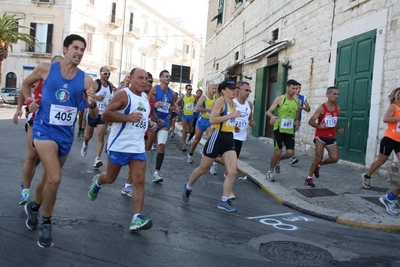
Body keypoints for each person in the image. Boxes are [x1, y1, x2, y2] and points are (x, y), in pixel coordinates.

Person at [21, 34, 98, 248]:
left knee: (47, 179)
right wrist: (29, 102)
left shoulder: (86, 80)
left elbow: (94, 117)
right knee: (55, 178)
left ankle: (34, 207)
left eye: (82, 49)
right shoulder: (47, 69)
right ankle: (46, 222)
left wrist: (92, 104)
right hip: (44, 130)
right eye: (75, 48)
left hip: (65, 136)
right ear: (65, 49)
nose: (79, 52)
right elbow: (26, 85)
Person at [88, 68, 157, 230]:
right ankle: (98, 181)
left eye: (146, 79)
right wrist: (127, 117)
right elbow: (105, 115)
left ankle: (136, 218)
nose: (144, 82)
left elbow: (142, 119)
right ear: (131, 79)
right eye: (140, 78)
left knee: (139, 180)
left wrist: (150, 123)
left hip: (137, 147)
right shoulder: (123, 95)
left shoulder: (146, 97)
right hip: (119, 146)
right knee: (111, 178)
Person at [181, 79, 240, 212]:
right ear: (223, 91)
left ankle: (224, 201)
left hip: (229, 138)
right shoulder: (220, 101)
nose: (234, 91)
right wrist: (231, 116)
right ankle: (188, 187)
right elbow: (213, 119)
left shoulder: (233, 103)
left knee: (232, 171)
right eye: (231, 89)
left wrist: (233, 125)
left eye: (235, 88)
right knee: (203, 169)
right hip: (217, 138)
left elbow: (226, 119)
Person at [13, 56, 64, 205]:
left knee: (40, 159)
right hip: (35, 120)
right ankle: (26, 191)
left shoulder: (66, 83)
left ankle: (26, 179)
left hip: (54, 125)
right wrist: (24, 105)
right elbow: (24, 87)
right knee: (32, 154)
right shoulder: (41, 77)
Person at [121, 72, 158, 197]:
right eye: (145, 80)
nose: (147, 83)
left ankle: (127, 186)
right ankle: (102, 181)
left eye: (150, 81)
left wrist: (155, 122)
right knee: (111, 176)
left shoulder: (150, 98)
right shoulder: (127, 94)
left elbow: (150, 114)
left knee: (137, 163)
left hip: (142, 134)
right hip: (127, 136)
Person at [306, 86, 343, 187]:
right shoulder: (322, 108)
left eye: (337, 94)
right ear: (328, 95)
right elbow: (310, 121)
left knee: (335, 158)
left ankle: (319, 165)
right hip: (320, 136)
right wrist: (319, 126)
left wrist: (338, 129)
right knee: (318, 157)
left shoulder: (337, 108)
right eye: (334, 94)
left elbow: (334, 121)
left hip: (331, 136)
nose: (336, 96)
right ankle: (309, 178)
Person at [265, 79, 300, 182]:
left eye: (296, 88)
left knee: (290, 153)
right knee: (278, 152)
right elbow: (269, 111)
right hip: (279, 128)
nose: (294, 90)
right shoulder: (280, 99)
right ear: (287, 87)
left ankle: (278, 160)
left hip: (289, 130)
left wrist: (297, 120)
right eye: (292, 88)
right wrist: (272, 116)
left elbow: (296, 111)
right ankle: (270, 172)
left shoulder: (296, 100)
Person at [80, 67, 114, 168]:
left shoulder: (110, 86)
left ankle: (97, 159)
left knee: (100, 136)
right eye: (105, 73)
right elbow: (87, 95)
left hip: (103, 115)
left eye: (109, 73)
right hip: (93, 113)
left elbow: (111, 98)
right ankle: (85, 143)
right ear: (100, 73)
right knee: (88, 135)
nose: (107, 75)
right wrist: (96, 98)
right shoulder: (96, 84)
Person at [228, 81, 256, 199]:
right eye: (246, 90)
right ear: (238, 90)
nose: (248, 93)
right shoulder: (231, 102)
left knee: (233, 163)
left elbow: (249, 117)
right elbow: (225, 118)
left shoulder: (249, 104)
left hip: (240, 137)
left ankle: (215, 160)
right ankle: (228, 190)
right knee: (232, 165)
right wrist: (233, 126)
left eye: (249, 90)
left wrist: (251, 122)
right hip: (229, 135)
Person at [151, 70, 174, 183]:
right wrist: (154, 105)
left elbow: (172, 105)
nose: (168, 78)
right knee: (147, 146)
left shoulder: (171, 92)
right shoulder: (154, 89)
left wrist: (175, 108)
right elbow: (147, 101)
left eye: (169, 76)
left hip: (164, 122)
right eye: (165, 76)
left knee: (161, 145)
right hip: (152, 120)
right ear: (160, 78)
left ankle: (156, 172)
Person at [187, 84, 217, 164]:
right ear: (208, 89)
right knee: (197, 139)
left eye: (215, 88)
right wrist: (208, 109)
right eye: (212, 88)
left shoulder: (216, 98)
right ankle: (190, 153)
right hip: (201, 121)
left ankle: (204, 151)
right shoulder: (204, 98)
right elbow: (197, 108)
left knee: (211, 139)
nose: (214, 90)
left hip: (210, 121)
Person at [289, 82, 310, 164]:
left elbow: (308, 109)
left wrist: (301, 107)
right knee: (291, 138)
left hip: (297, 120)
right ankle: (290, 156)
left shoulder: (302, 98)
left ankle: (290, 155)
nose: (298, 90)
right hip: (289, 120)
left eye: (299, 88)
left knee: (291, 137)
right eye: (296, 88)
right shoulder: (289, 97)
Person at [175, 84, 195, 151]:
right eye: (188, 89)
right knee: (184, 130)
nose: (190, 90)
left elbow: (199, 103)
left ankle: (184, 132)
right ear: (186, 89)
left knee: (189, 130)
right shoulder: (183, 96)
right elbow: (176, 103)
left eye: (191, 89)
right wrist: (178, 108)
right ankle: (184, 145)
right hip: (185, 115)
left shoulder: (194, 97)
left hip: (191, 116)